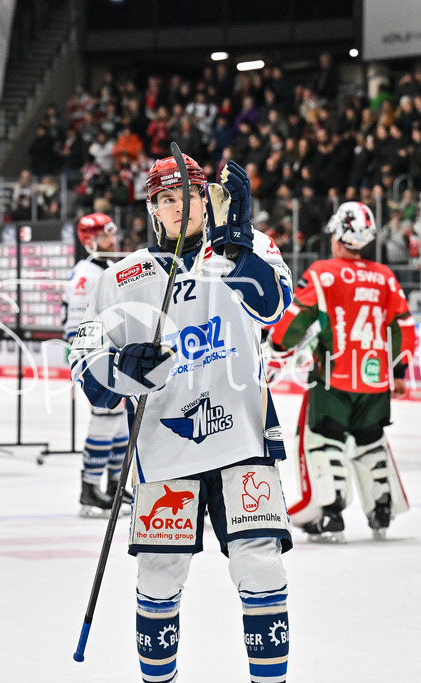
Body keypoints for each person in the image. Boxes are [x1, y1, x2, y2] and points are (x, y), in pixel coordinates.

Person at [70, 154, 294, 682]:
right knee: (159, 573)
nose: (179, 206)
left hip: (242, 438)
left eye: (189, 194)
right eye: (167, 198)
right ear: (152, 209)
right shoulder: (120, 276)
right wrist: (118, 369)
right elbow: (83, 358)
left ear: (208, 198)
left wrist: (238, 252)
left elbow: (275, 306)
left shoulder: (251, 246)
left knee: (260, 564)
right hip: (164, 451)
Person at [268, 201, 417, 543]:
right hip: (375, 379)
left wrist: (277, 346)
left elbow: (296, 316)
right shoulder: (385, 276)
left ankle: (330, 513)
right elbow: (403, 325)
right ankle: (381, 510)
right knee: (369, 441)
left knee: (324, 442)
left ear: (337, 235)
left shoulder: (323, 271)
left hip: (332, 376)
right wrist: (399, 371)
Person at [63, 212, 132, 516]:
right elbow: (79, 325)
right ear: (90, 240)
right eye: (105, 235)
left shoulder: (105, 268)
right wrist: (94, 364)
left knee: (118, 422)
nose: (112, 240)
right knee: (104, 420)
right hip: (98, 355)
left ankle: (114, 485)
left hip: (112, 352)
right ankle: (89, 489)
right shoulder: (85, 275)